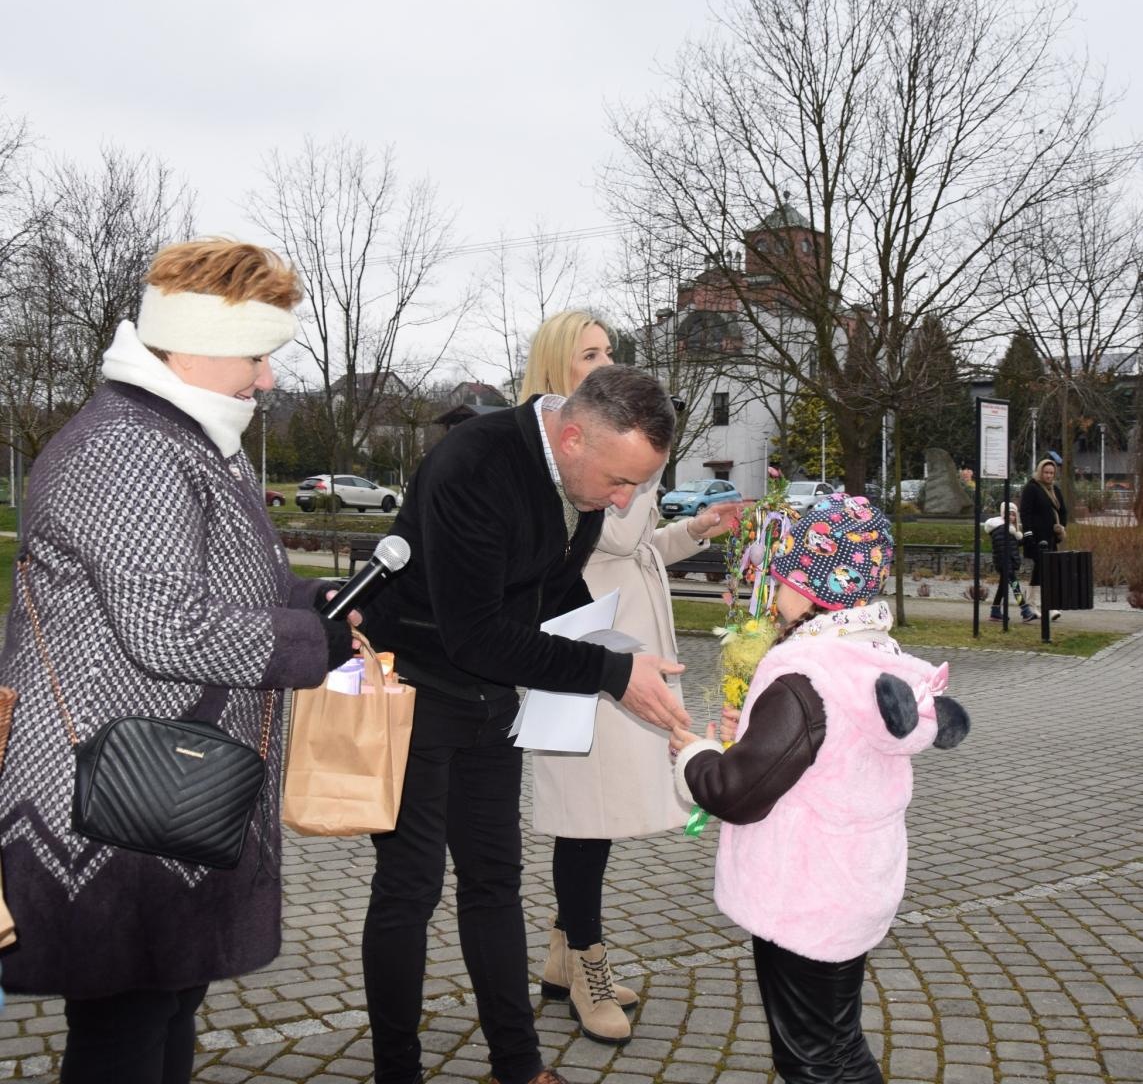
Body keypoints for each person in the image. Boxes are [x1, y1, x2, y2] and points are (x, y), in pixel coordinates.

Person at [0, 238, 356, 1084]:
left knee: (162, 1006)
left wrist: (320, 608)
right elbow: (167, 628)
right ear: (197, 343)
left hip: (165, 789)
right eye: (257, 356)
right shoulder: (129, 448)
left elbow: (220, 587)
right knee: (127, 1025)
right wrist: (317, 643)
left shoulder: (181, 435)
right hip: (115, 802)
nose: (267, 380)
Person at [358, 363, 690, 1084]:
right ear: (571, 437)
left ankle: (518, 1065)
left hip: (487, 699)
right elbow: (475, 632)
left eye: (638, 483)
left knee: (494, 883)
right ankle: (396, 1071)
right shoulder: (473, 466)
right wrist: (609, 676)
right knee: (409, 889)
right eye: (619, 481)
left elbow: (556, 589)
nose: (625, 498)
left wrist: (624, 660)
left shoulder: (585, 479)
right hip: (412, 687)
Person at [669, 494, 969, 1084]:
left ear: (811, 590)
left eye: (779, 578)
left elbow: (736, 792)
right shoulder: (866, 663)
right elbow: (819, 755)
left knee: (818, 1059)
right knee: (831, 1041)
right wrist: (759, 736)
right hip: (848, 887)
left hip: (803, 895)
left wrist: (693, 753)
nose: (771, 593)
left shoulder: (805, 675)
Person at [521, 310, 733, 1045]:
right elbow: (611, 531)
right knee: (586, 816)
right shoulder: (557, 460)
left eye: (609, 351)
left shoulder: (604, 463)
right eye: (588, 354)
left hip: (622, 649)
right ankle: (587, 964)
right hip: (587, 651)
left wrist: (696, 530)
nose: (604, 362)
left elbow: (635, 548)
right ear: (557, 372)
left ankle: (561, 950)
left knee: (599, 819)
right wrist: (643, 472)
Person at [1019, 456, 1068, 621]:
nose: (1048, 476)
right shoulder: (1031, 488)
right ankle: (1042, 605)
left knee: (1047, 570)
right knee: (1042, 569)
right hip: (1037, 538)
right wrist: (1028, 534)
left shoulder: (1055, 490)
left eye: (1051, 473)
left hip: (1051, 537)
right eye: (1046, 472)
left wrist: (1061, 528)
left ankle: (1038, 604)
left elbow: (1063, 511)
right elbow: (1025, 513)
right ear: (1040, 472)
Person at [984, 502, 1036, 622]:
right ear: (1003, 514)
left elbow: (1012, 545)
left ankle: (995, 611)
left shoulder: (1008, 529)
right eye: (1009, 514)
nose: (1011, 517)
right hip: (1005, 563)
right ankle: (1025, 611)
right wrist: (1007, 564)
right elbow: (1002, 547)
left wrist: (1025, 539)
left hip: (1007, 562)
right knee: (1015, 586)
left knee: (1002, 587)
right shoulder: (1002, 529)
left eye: (1013, 515)